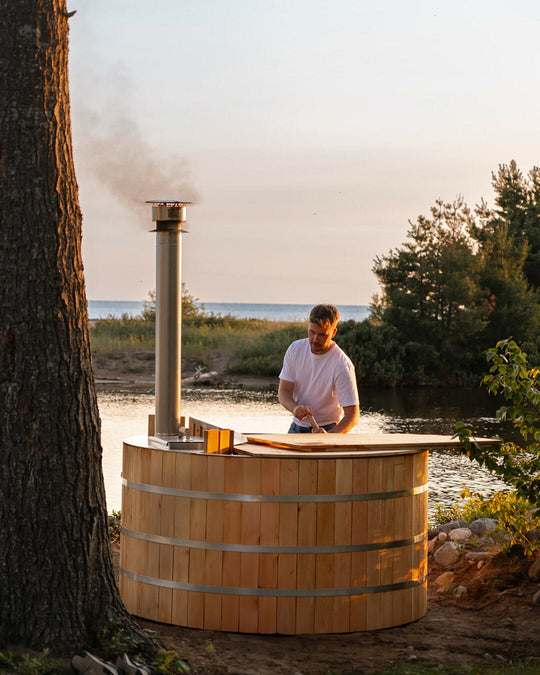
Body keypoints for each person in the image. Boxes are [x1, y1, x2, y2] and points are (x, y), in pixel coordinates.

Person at [278, 304, 360, 433]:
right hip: (296, 428)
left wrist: (328, 437)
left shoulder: (342, 364)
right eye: (312, 332)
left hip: (328, 428)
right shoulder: (295, 349)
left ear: (333, 333)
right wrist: (294, 408)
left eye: (322, 335)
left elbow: (353, 416)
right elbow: (283, 392)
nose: (315, 339)